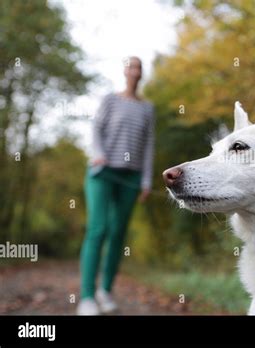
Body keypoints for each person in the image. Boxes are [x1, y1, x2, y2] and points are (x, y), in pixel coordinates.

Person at [77, 56, 155, 315]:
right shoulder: (110, 99)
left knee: (118, 233)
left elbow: (148, 146)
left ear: (142, 74)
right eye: (131, 66)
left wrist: (145, 180)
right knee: (98, 229)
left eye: (139, 68)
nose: (135, 71)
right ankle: (87, 296)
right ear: (124, 71)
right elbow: (96, 129)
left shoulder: (147, 108)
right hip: (102, 171)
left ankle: (105, 290)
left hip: (130, 178)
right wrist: (98, 153)